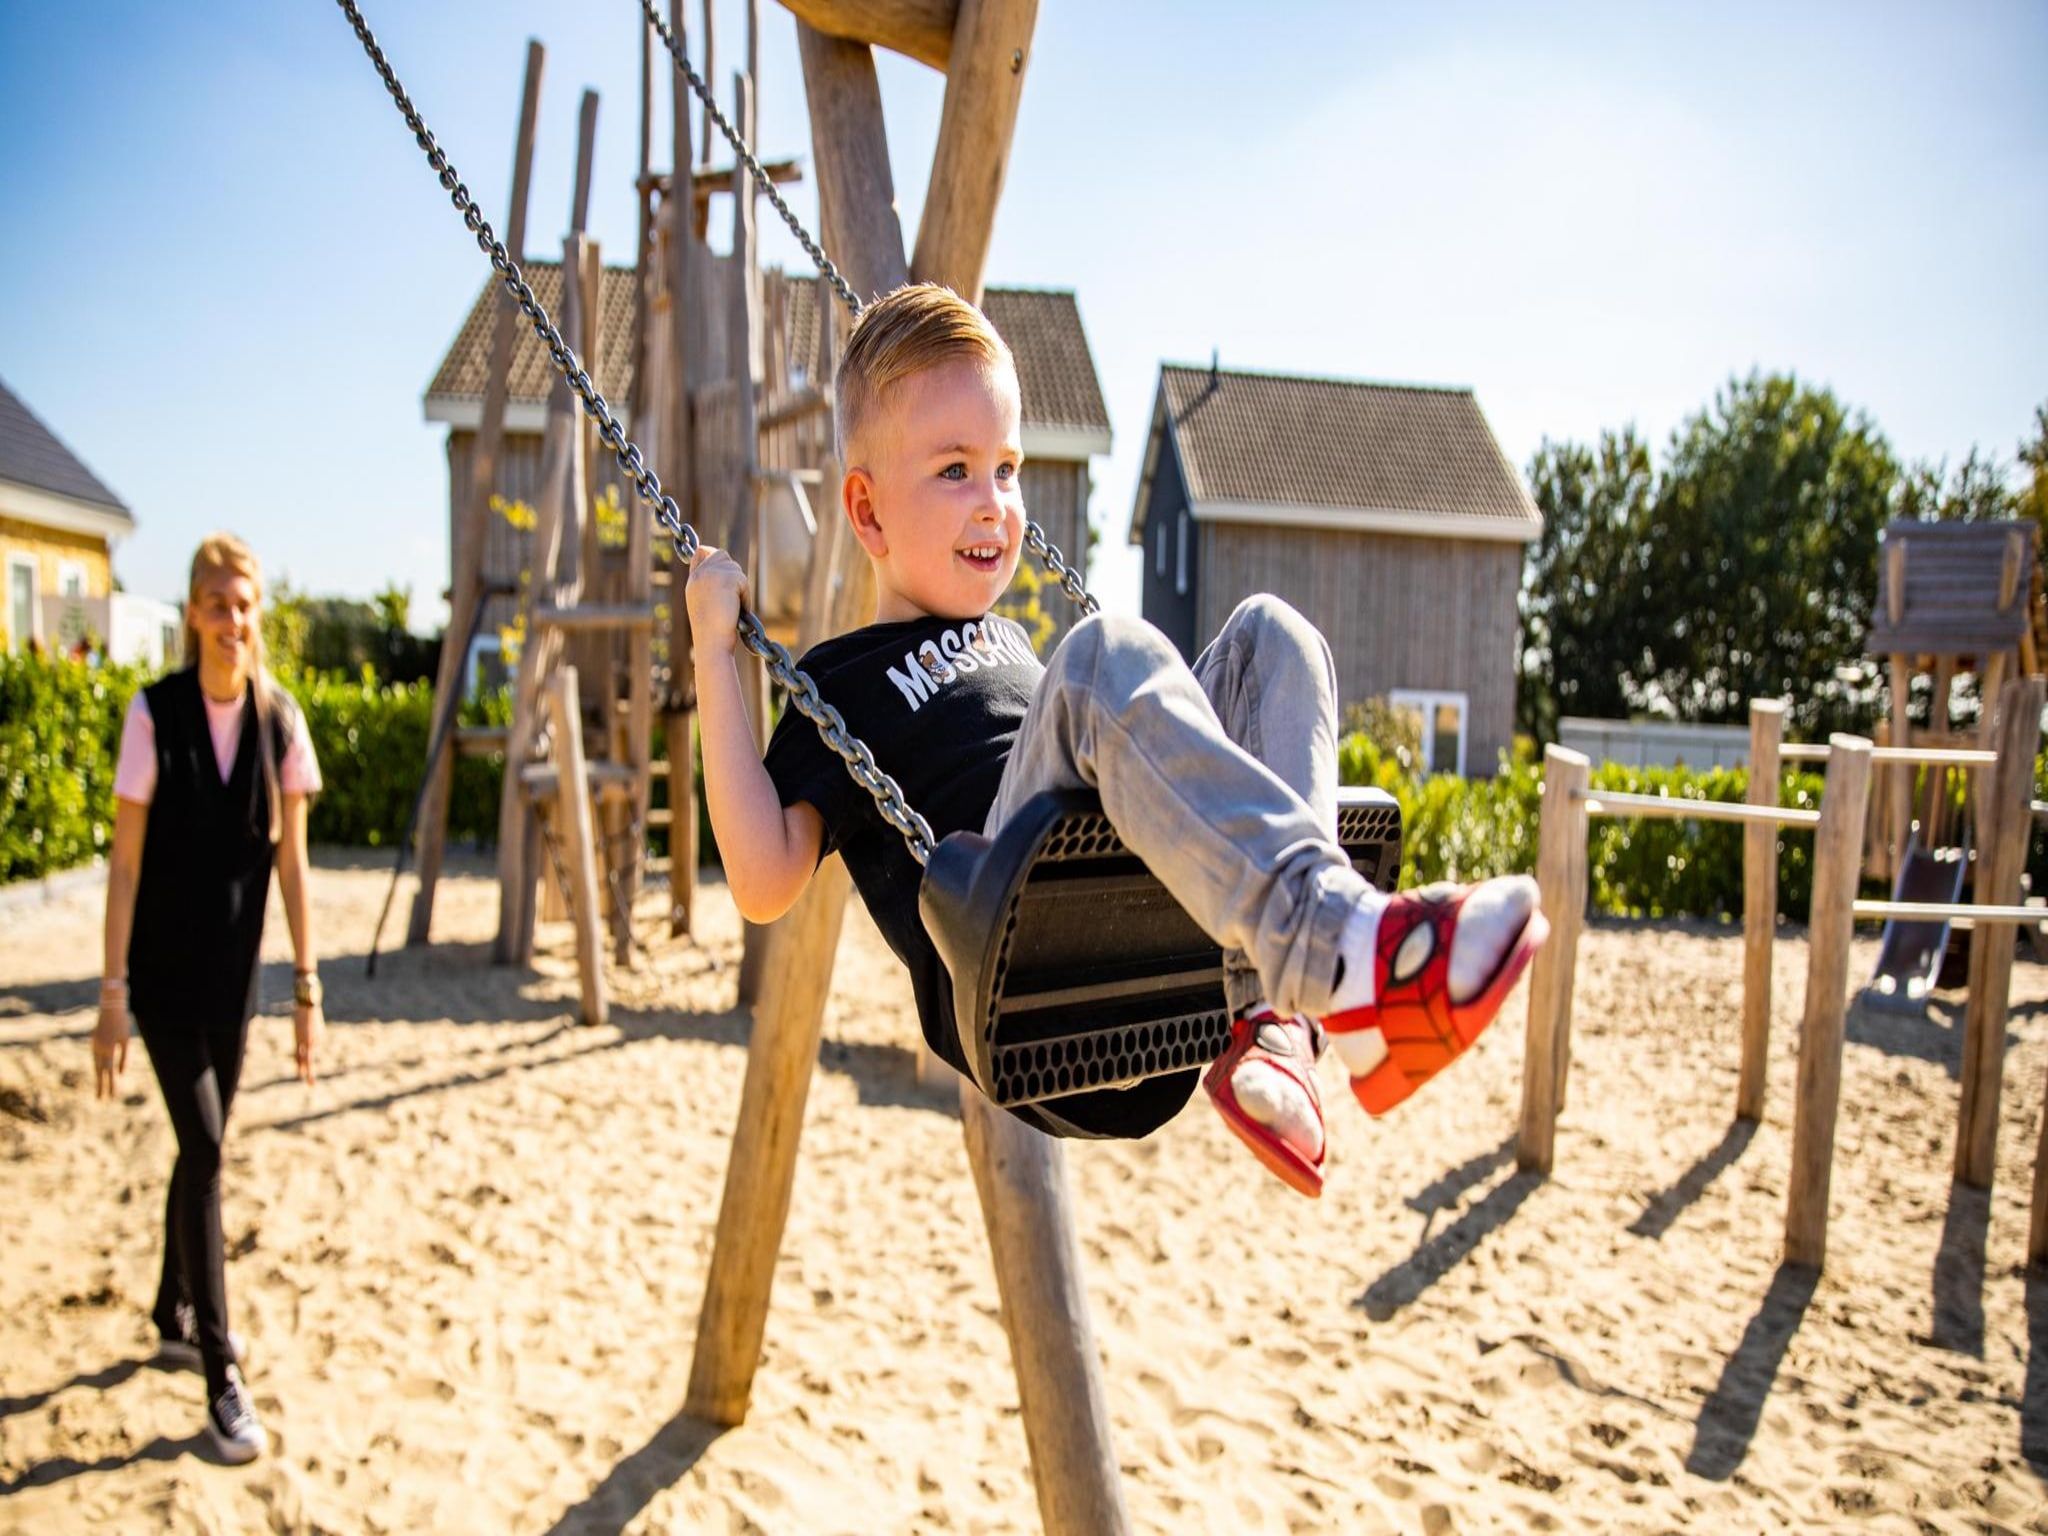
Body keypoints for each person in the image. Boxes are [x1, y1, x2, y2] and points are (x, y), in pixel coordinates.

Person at [686, 284, 1547, 1199]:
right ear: (866, 513)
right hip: (1014, 960)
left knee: (1273, 635)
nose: (993, 504)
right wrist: (712, 651)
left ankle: (1278, 1025)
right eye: (954, 471)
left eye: (1007, 470)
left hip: (1141, 932)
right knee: (1105, 652)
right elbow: (761, 880)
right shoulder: (841, 679)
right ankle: (1345, 948)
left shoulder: (1012, 640)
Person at [93, 532, 324, 1464]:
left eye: (246, 605)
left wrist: (307, 986)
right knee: (207, 1146)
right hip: (160, 986)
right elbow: (123, 866)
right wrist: (111, 994)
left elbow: (296, 866)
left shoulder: (280, 723)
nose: (234, 621)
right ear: (192, 612)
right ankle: (221, 1372)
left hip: (237, 985)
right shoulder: (153, 716)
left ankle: (169, 1304)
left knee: (202, 1148)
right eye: (219, 604)